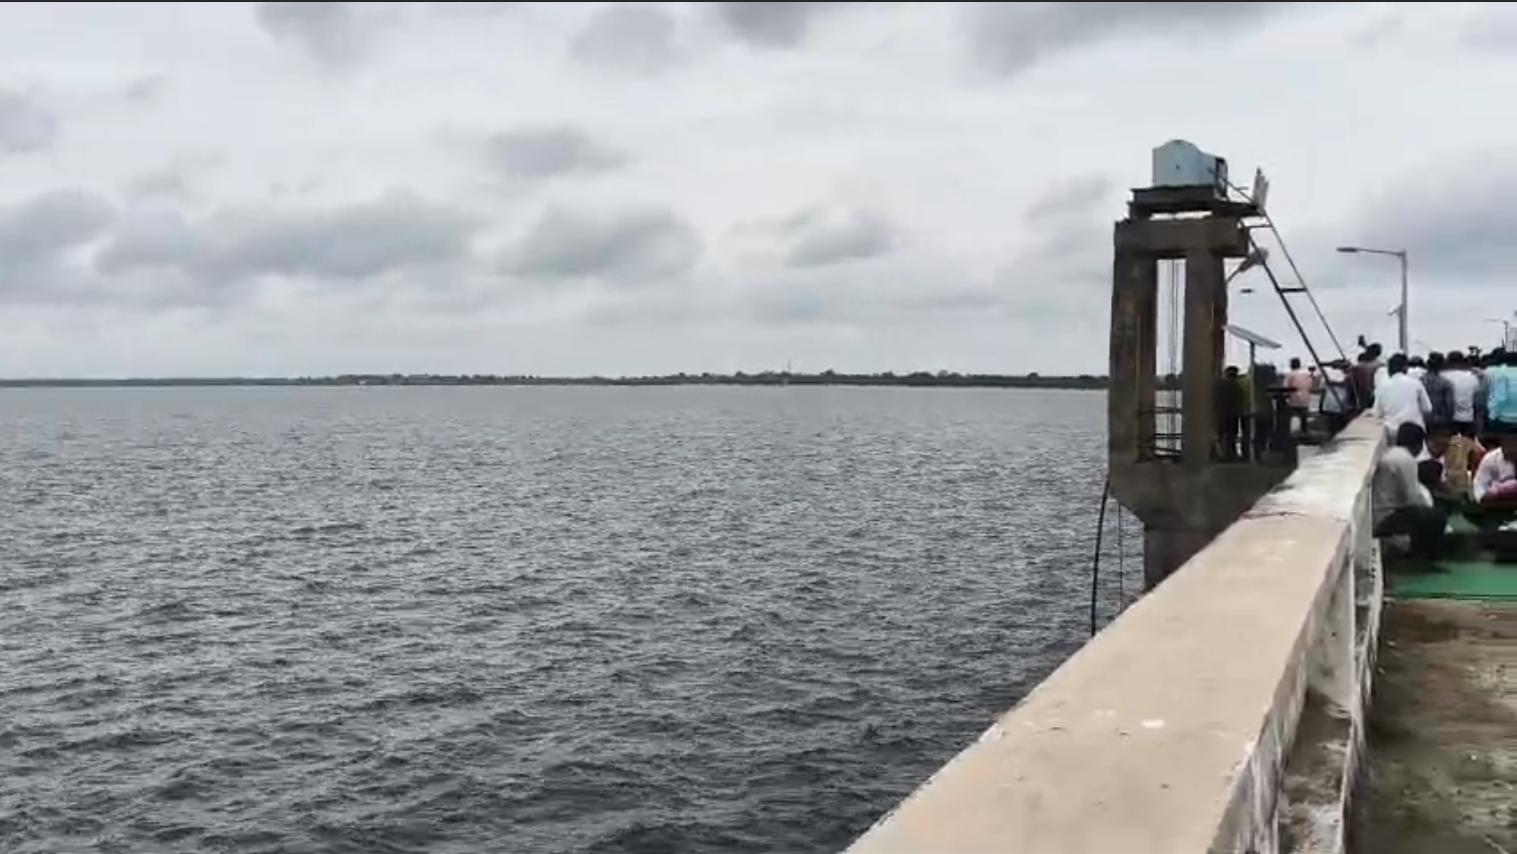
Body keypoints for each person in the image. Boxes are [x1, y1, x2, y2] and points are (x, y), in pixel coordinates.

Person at [1373, 422, 1448, 563]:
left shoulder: (1391, 454)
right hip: (1387, 516)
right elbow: (1411, 498)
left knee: (1426, 513)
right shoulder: (1406, 460)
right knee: (1436, 517)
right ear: (1419, 444)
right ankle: (1423, 558)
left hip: (1380, 512)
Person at [1373, 353, 1432, 435]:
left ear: (1389, 369)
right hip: (1415, 429)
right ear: (1405, 368)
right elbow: (1427, 408)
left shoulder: (1382, 387)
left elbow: (1377, 414)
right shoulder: (1416, 383)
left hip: (1393, 431)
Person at [1444, 350, 1484, 437]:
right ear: (1463, 362)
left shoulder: (1443, 376)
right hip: (1468, 420)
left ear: (1447, 362)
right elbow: (1477, 402)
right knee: (1465, 448)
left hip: (1448, 421)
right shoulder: (1473, 378)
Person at [1419, 350, 1455, 429]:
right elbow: (1450, 406)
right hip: (1441, 422)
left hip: (1422, 421)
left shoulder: (1419, 382)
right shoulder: (1446, 383)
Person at [1284, 357, 1314, 434]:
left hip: (1294, 401)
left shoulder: (1290, 375)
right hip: (1305, 401)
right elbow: (1310, 386)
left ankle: (1287, 431)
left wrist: (1286, 396)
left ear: (1291, 365)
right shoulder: (1306, 374)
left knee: (1286, 414)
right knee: (1303, 416)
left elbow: (1285, 388)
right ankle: (1304, 431)